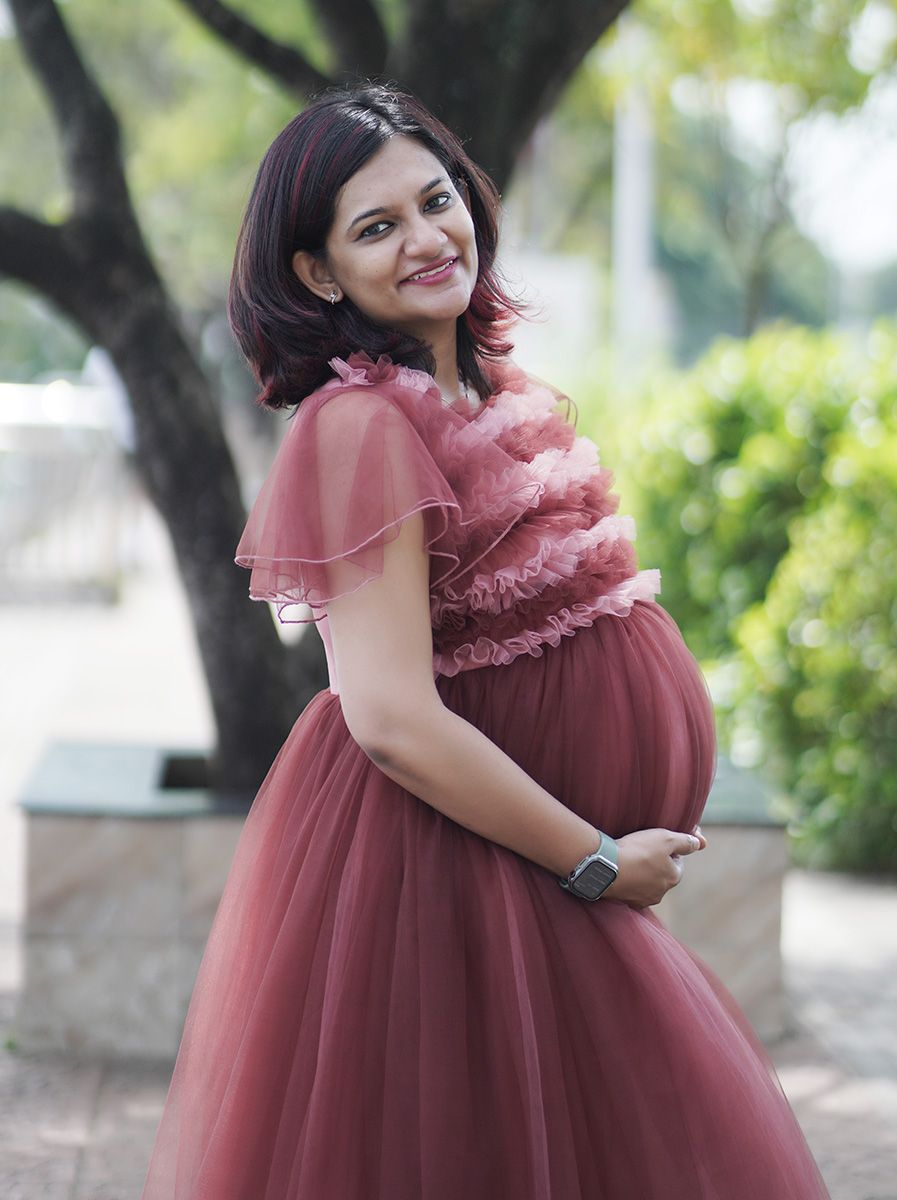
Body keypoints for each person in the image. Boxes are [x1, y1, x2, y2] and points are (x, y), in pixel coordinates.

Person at [140, 83, 830, 1199]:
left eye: (436, 198)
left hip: (537, 872)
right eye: (376, 227)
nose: (426, 237)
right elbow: (393, 720)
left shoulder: (489, 389)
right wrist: (597, 861)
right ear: (319, 273)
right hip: (455, 877)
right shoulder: (361, 424)